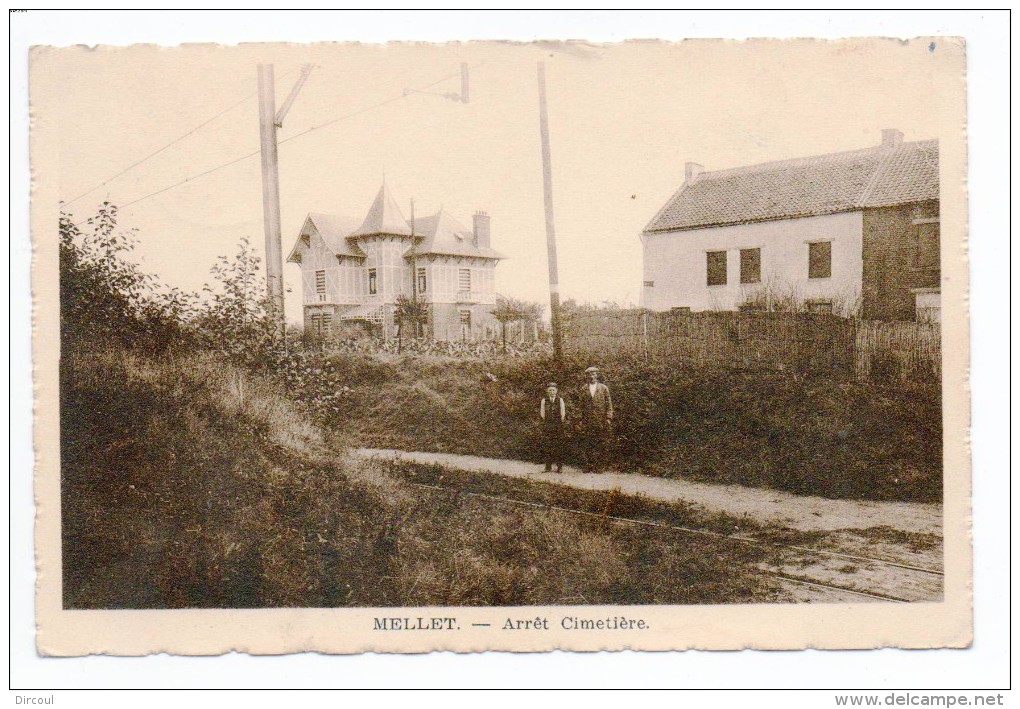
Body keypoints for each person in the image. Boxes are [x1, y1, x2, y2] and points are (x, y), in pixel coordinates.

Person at [577, 365, 613, 473]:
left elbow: (609, 404)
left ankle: (600, 466)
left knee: (600, 443)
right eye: (589, 374)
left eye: (593, 374)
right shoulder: (583, 389)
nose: (591, 376)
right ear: (587, 376)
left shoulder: (603, 388)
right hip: (587, 420)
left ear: (597, 375)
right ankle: (589, 465)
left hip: (600, 420)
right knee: (588, 443)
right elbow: (580, 406)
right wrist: (580, 420)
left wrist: (608, 417)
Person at [539, 382, 566, 473]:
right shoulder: (544, 400)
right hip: (548, 425)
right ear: (547, 391)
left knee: (558, 446)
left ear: (556, 391)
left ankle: (559, 467)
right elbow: (542, 413)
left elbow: (563, 413)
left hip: (558, 425)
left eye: (553, 390)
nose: (552, 392)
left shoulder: (560, 400)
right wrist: (547, 422)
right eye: (550, 390)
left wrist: (559, 423)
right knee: (548, 446)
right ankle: (548, 467)